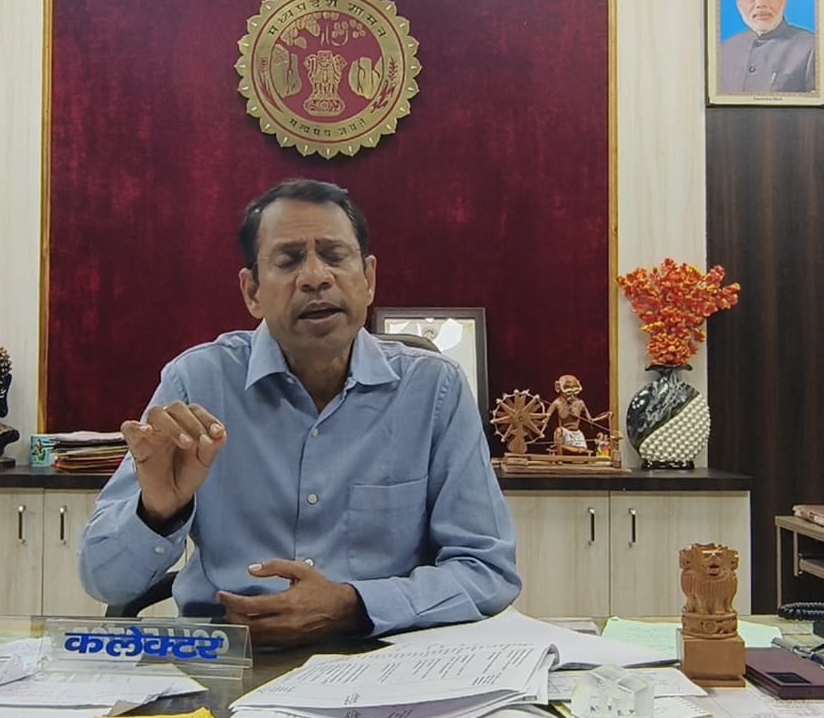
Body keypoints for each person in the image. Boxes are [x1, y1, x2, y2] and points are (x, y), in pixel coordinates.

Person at [79, 178, 520, 647]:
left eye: (334, 255)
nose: (315, 277)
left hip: (380, 656)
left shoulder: (433, 390)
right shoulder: (197, 385)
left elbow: (487, 570)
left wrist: (355, 605)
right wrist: (158, 512)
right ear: (252, 291)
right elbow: (106, 581)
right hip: (231, 655)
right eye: (289, 260)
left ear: (368, 279)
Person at [718, 0, 816, 94]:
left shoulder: (811, 47)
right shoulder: (725, 51)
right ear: (739, 4)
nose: (760, 4)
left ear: (783, 1)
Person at [542, 374, 611, 456]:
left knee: (581, 450)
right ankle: (560, 458)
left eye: (575, 392)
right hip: (564, 434)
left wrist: (604, 416)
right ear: (559, 389)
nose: (572, 395)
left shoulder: (580, 403)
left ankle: (564, 448)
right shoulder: (557, 403)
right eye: (568, 392)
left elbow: (590, 421)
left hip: (577, 434)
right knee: (558, 431)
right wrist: (539, 429)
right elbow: (545, 419)